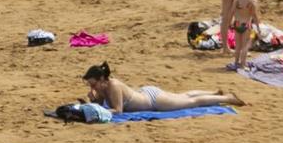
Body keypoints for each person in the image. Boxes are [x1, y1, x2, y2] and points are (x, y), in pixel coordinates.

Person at [84, 62, 242, 112]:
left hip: (153, 101)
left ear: (102, 79)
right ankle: (213, 92)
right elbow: (103, 104)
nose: (93, 87)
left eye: (93, 83)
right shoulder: (103, 87)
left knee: (191, 102)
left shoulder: (113, 85)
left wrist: (95, 108)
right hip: (147, 94)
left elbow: (117, 110)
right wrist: (95, 101)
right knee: (183, 95)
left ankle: (226, 98)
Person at [226, 0, 262, 71]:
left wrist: (229, 23)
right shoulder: (252, 1)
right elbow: (254, 15)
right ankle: (243, 65)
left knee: (238, 46)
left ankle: (236, 62)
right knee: (245, 46)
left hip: (237, 23)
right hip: (246, 25)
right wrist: (258, 27)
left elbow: (231, 12)